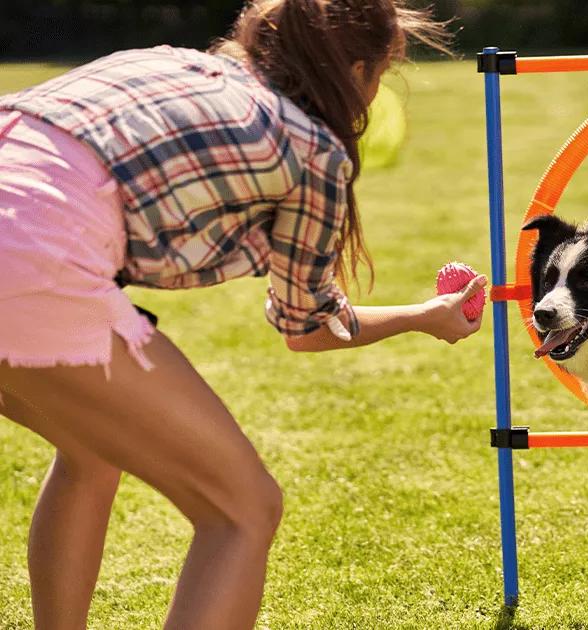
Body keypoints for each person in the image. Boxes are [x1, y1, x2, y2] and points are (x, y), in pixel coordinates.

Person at [0, 1, 482, 627]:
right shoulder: (314, 152)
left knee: (90, 448)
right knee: (243, 510)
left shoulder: (173, 65)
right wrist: (427, 315)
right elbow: (310, 329)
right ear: (358, 71)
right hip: (30, 263)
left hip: (25, 241)